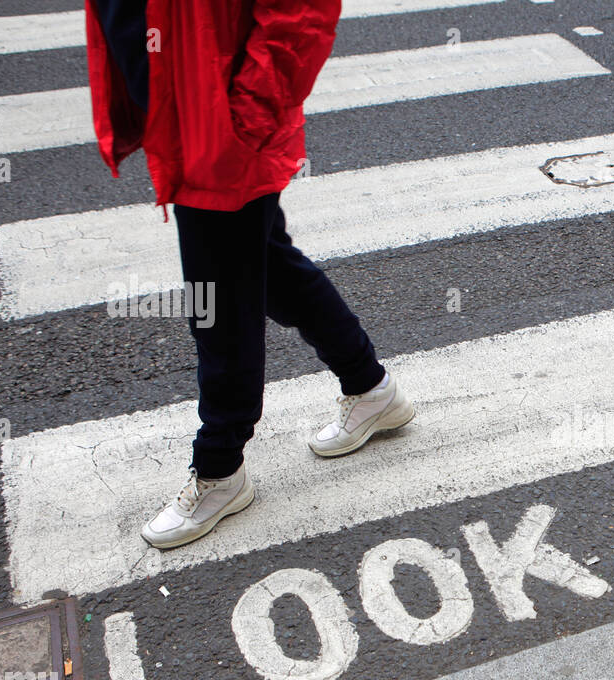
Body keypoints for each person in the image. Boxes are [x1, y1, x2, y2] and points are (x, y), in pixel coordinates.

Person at [85, 0, 414, 550]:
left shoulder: (230, 124)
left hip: (220, 128)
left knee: (219, 306)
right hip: (188, 113)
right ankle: (370, 388)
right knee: (270, 266)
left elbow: (298, 13)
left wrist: (244, 119)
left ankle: (220, 469)